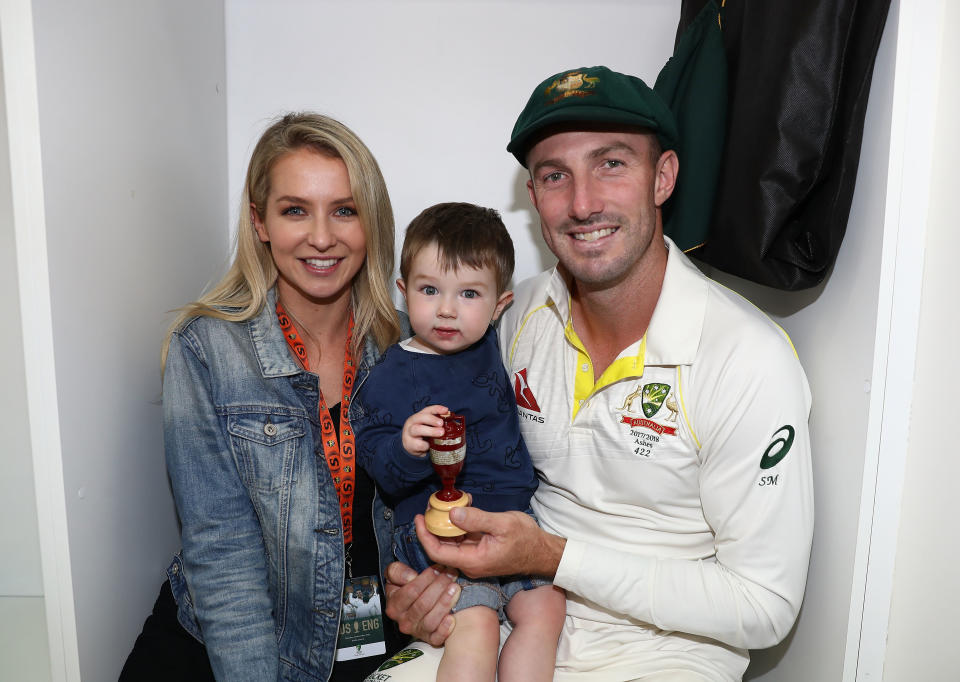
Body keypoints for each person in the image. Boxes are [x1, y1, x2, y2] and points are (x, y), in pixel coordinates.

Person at [382, 66, 814, 681]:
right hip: (512, 613)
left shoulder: (747, 358)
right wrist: (422, 590)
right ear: (533, 196)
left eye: (611, 164)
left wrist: (554, 557)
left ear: (662, 178)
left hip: (668, 650)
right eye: (556, 175)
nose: (582, 203)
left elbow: (765, 608)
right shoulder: (509, 316)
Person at [121, 112, 411, 681]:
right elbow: (221, 551)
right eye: (295, 209)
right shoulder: (206, 349)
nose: (321, 236)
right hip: (230, 639)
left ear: (371, 223)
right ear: (261, 223)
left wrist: (434, 581)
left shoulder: (411, 348)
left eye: (345, 210)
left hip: (369, 628)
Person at [353, 203, 565, 681]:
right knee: (478, 624)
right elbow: (376, 460)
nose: (447, 309)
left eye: (469, 294)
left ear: (499, 305)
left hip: (514, 523)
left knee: (547, 609)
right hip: (439, 531)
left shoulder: (490, 342)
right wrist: (406, 445)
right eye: (430, 290)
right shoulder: (393, 371)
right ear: (405, 293)